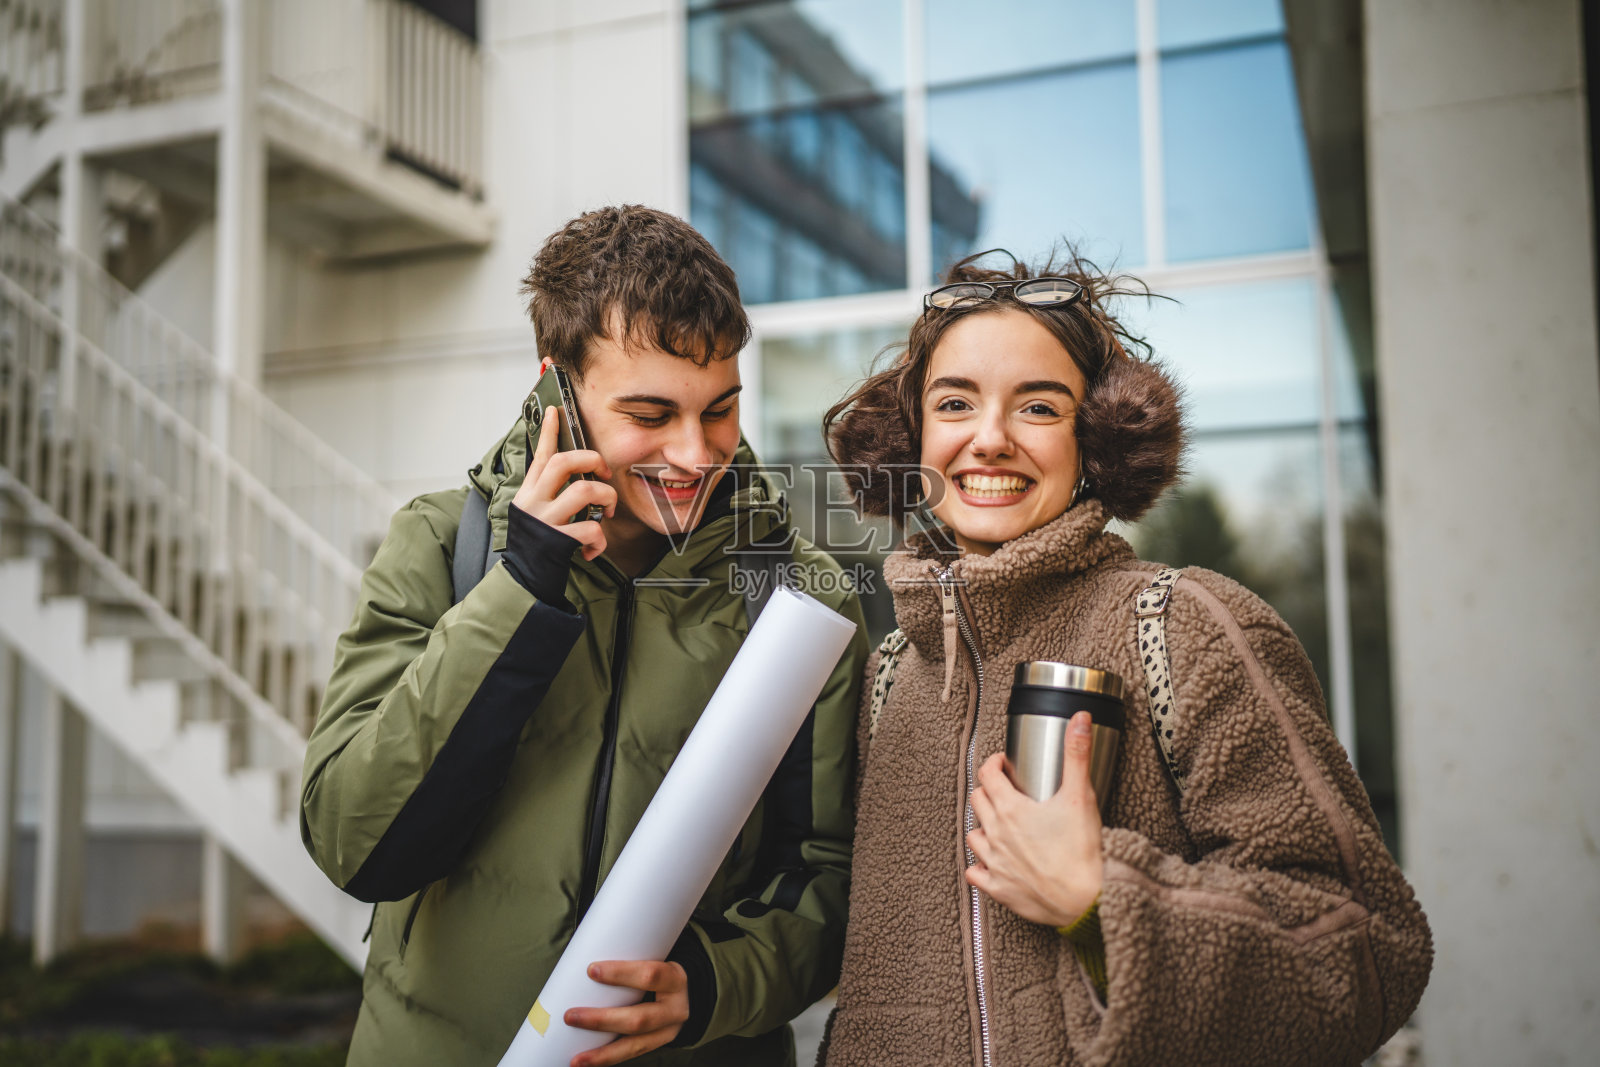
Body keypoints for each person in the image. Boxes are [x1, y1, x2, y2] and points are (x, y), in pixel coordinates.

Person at [818, 250, 1432, 1066]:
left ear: (1095, 439)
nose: (989, 439)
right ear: (911, 439)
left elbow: (1371, 946)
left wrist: (1101, 901)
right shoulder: (889, 673)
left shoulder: (1185, 628)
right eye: (955, 402)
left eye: (1037, 406)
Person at [300, 206, 869, 1067]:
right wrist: (521, 586)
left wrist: (712, 984)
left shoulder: (800, 591)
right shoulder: (439, 543)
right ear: (558, 390)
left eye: (720, 410)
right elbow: (354, 839)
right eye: (650, 412)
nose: (694, 452)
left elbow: (829, 872)